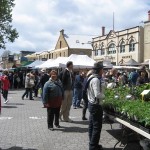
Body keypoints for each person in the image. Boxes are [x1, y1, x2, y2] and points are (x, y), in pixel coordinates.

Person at [87, 62, 105, 150]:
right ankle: (93, 146)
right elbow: (97, 94)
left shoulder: (91, 77)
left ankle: (92, 143)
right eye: (102, 69)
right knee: (97, 127)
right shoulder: (96, 80)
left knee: (92, 125)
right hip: (96, 106)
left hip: (91, 104)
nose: (103, 71)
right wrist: (105, 95)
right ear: (100, 70)